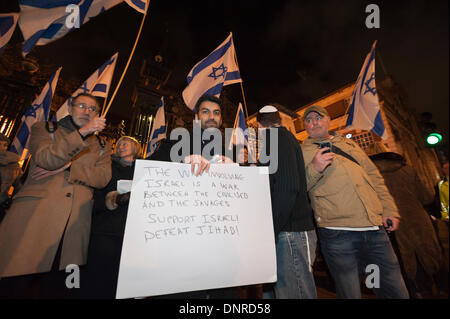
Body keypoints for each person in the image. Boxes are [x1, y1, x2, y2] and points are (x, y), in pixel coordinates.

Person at [0, 93, 112, 298]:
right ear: (70, 108)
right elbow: (46, 159)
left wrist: (68, 167)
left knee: (60, 289)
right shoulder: (44, 129)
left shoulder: (103, 146)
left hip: (74, 229)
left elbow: (102, 178)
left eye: (92, 109)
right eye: (81, 106)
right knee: (15, 285)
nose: (87, 112)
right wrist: (83, 133)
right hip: (35, 219)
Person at [301, 105, 409, 299]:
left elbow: (374, 176)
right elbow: (300, 188)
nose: (314, 122)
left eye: (318, 117)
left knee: (389, 287)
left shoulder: (350, 145)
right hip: (338, 234)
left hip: (374, 231)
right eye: (308, 120)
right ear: (306, 127)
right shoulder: (301, 152)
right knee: (350, 292)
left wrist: (388, 208)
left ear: (328, 120)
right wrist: (315, 168)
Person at [149, 94, 238, 299]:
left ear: (221, 120)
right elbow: (149, 168)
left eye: (216, 113)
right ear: (197, 118)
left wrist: (236, 172)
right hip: (181, 241)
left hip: (218, 241)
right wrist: (181, 161)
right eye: (205, 111)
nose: (211, 117)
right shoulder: (177, 139)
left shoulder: (228, 149)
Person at [257, 105, 317, 299]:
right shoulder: (284, 139)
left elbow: (287, 188)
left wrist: (270, 230)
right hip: (289, 232)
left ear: (258, 126)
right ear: (279, 121)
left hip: (290, 233)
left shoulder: (276, 139)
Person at [370, 151, 443, 298]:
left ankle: (416, 291)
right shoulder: (408, 169)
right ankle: (440, 289)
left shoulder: (370, 176)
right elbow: (426, 197)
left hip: (392, 225)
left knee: (405, 260)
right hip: (418, 220)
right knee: (431, 254)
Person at [81, 136, 141, 299]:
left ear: (135, 147)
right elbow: (94, 196)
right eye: (119, 144)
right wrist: (114, 199)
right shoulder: (107, 165)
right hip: (105, 230)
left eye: (125, 143)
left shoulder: (144, 170)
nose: (120, 146)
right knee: (97, 279)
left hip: (131, 234)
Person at [0, 134, 22, 224]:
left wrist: (13, 205)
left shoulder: (13, 166)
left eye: (5, 145)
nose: (2, 148)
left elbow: (19, 187)